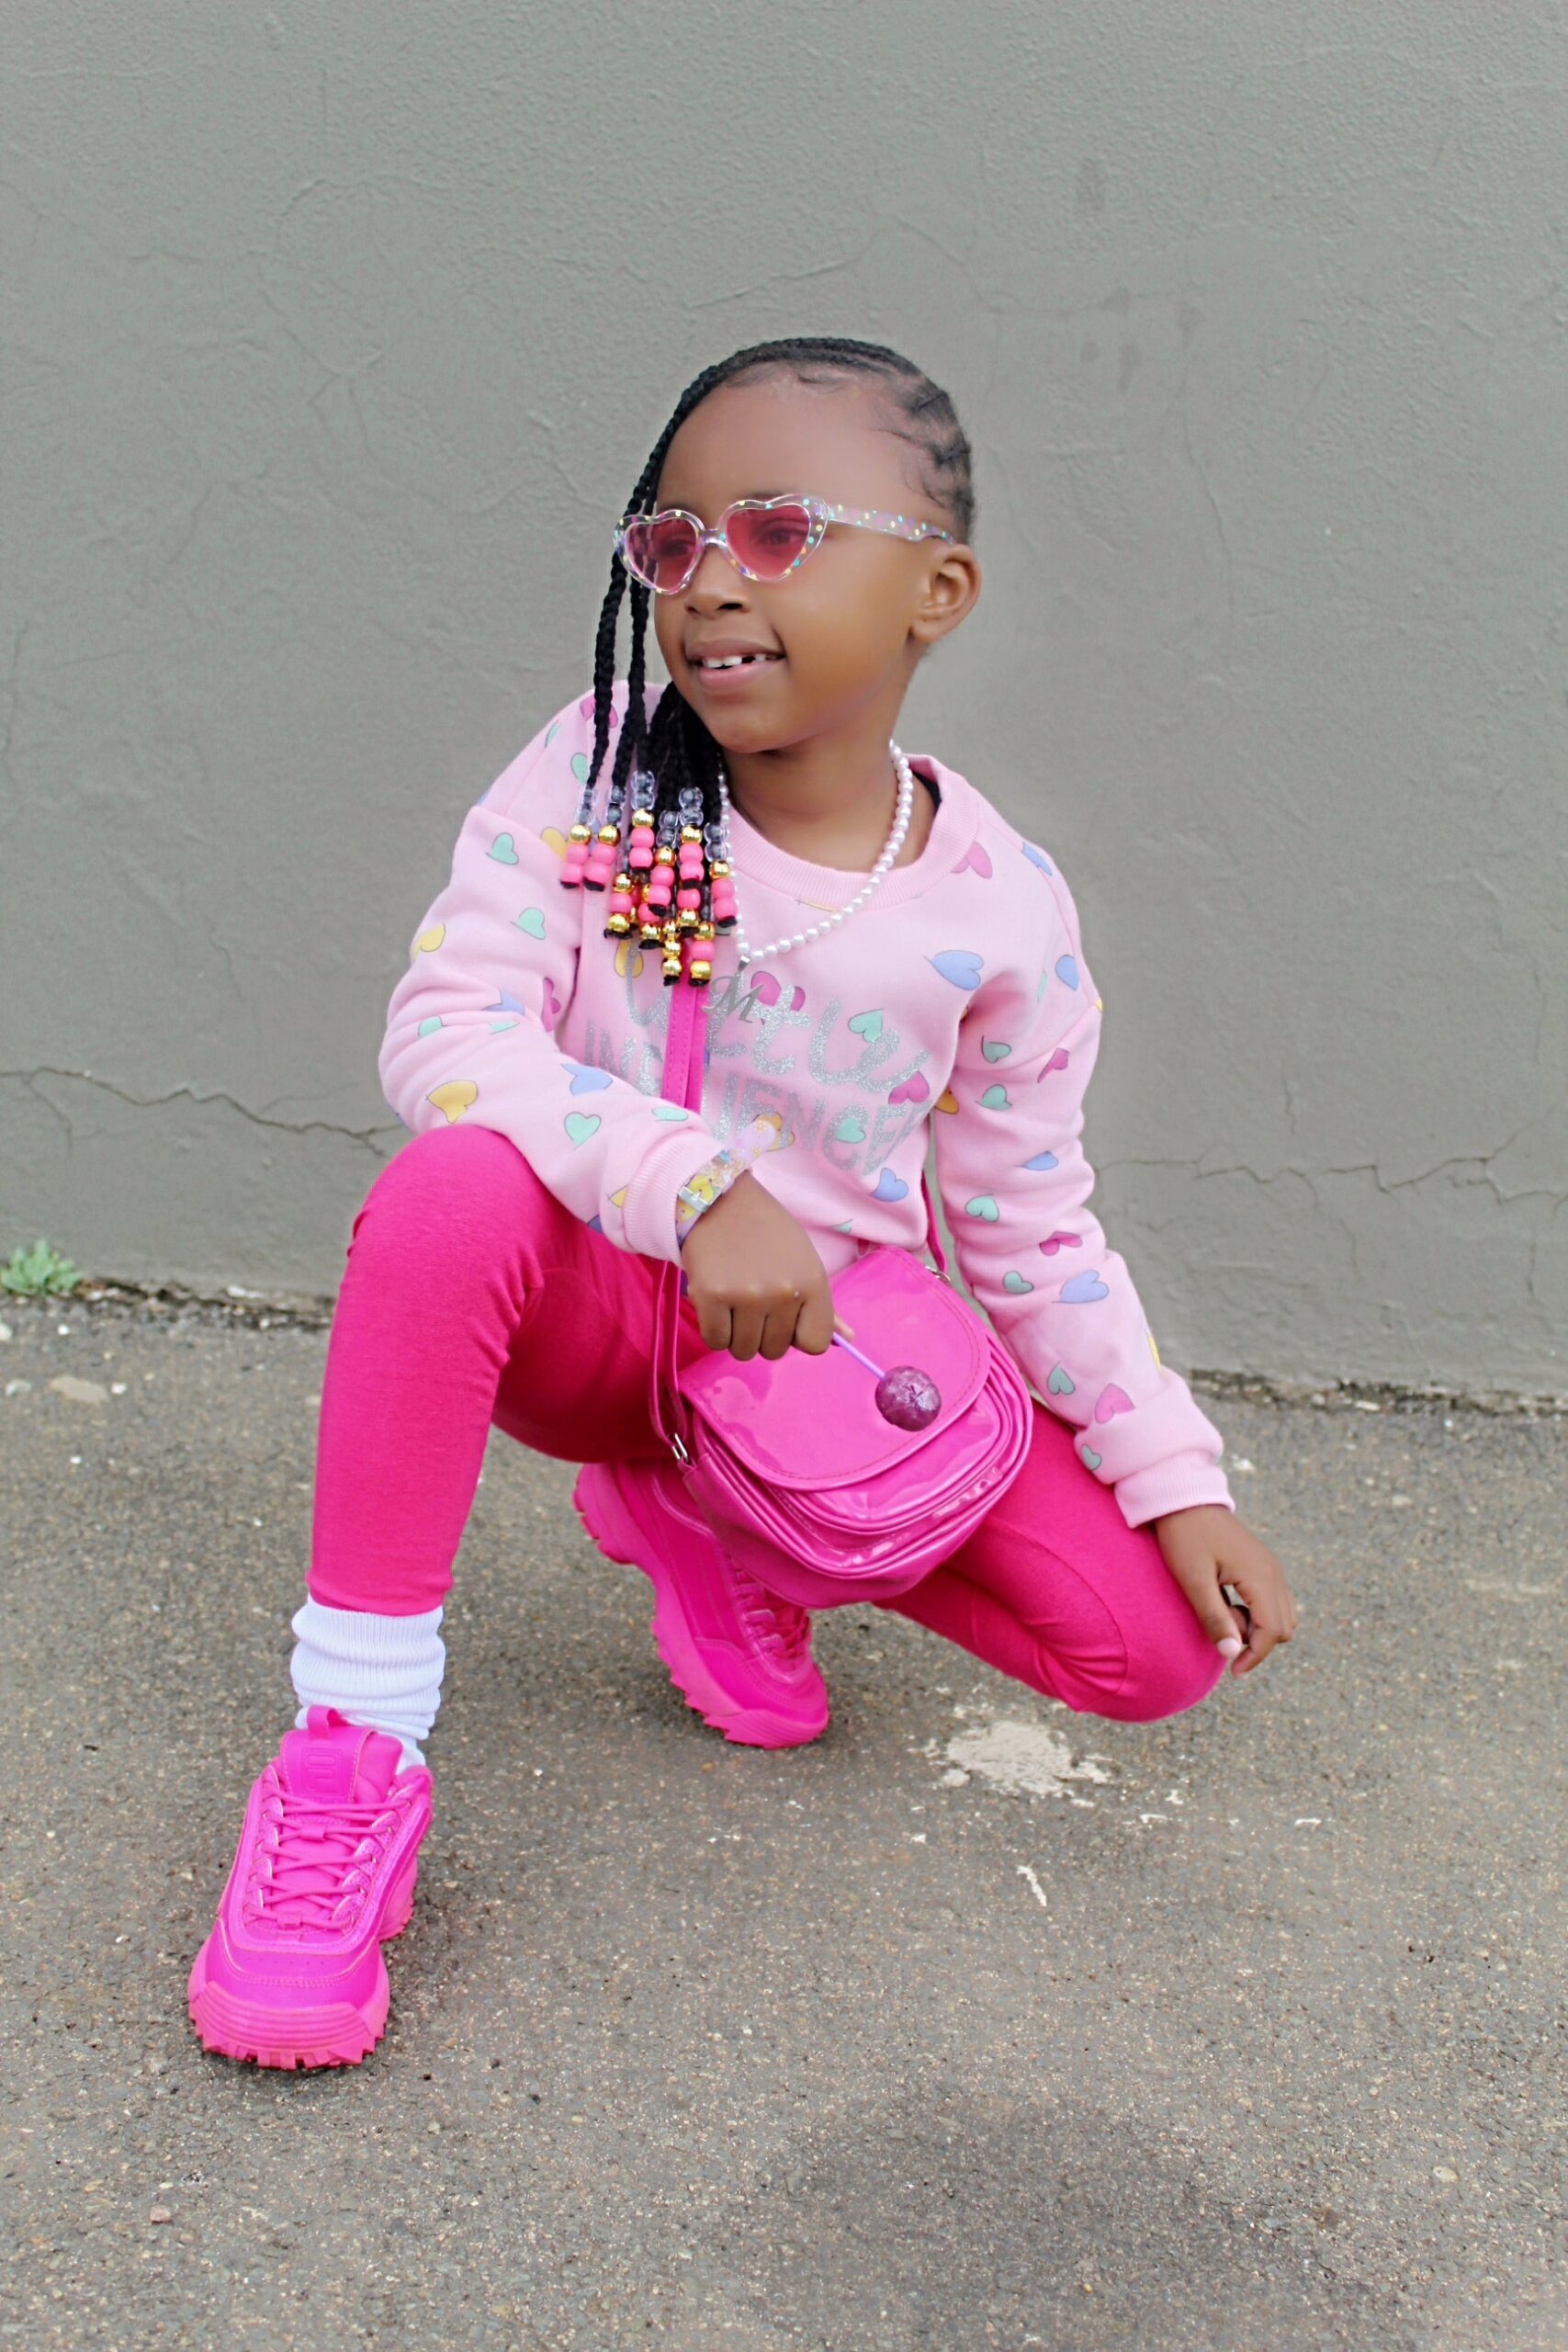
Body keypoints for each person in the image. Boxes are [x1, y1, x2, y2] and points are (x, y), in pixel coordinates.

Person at [188, 334, 1299, 2071]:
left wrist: (1176, 1476)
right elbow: (448, 1032)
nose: (711, 583)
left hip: (808, 1370)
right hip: (586, 1313)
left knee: (1153, 1655)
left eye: (780, 534)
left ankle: (720, 1519)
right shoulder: (601, 771)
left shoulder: (1002, 909)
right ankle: (349, 1759)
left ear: (938, 593)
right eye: (673, 543)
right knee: (449, 1191)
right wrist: (693, 1183)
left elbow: (1029, 1226)